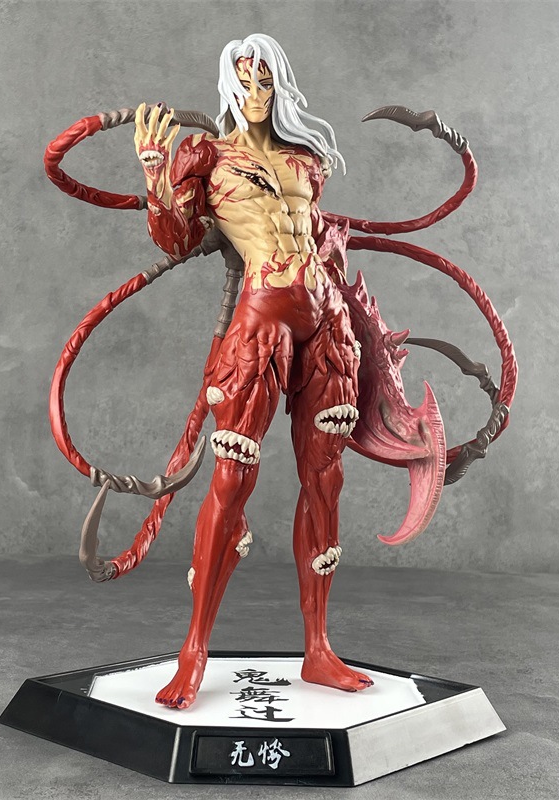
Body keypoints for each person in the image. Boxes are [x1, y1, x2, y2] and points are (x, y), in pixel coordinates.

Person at [134, 33, 372, 709]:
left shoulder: (306, 159)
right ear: (230, 86)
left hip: (326, 322)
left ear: (279, 83)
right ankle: (193, 651)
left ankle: (318, 649)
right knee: (232, 478)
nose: (256, 93)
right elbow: (178, 239)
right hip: (261, 318)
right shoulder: (207, 156)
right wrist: (156, 176)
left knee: (325, 481)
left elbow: (320, 240)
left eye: (265, 81)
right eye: (245, 82)